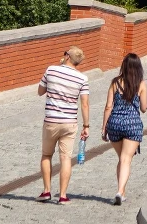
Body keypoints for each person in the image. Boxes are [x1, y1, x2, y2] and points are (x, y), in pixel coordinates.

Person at [37, 46, 90, 204]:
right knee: (66, 158)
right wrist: (86, 125)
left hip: (51, 121)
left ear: (67, 56)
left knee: (47, 155)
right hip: (69, 123)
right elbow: (85, 104)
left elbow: (40, 91)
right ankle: (62, 195)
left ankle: (46, 191)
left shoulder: (51, 70)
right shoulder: (83, 78)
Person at [101, 53, 147, 206]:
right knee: (126, 159)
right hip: (132, 125)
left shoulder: (115, 82)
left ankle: (122, 191)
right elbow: (144, 108)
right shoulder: (140, 84)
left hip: (114, 123)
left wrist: (104, 128)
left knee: (122, 158)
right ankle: (120, 191)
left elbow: (108, 106)